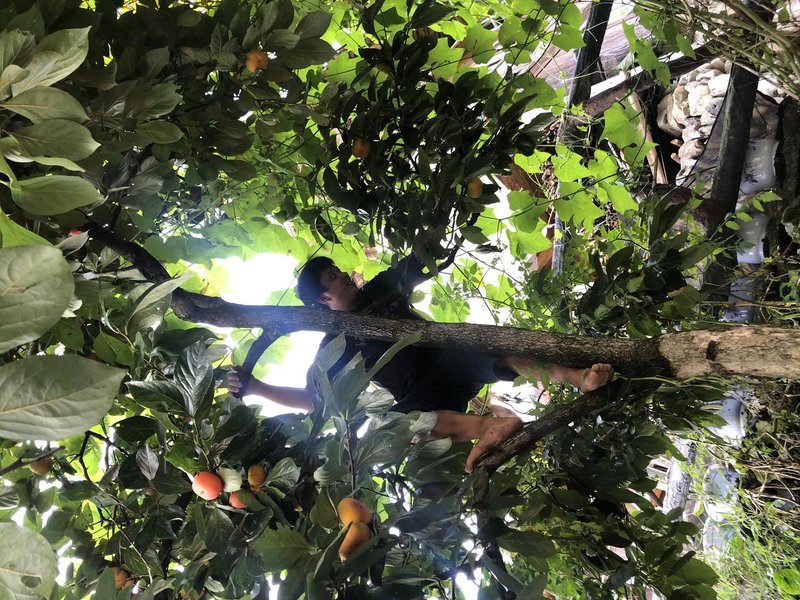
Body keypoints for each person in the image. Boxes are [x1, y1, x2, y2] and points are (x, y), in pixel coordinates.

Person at [227, 254, 613, 472]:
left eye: (338, 270)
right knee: (400, 425)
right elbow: (314, 400)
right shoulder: (334, 347)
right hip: (422, 396)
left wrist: (442, 221)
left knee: (496, 347)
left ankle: (577, 376)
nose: (344, 275)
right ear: (322, 301)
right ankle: (491, 427)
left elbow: (424, 258)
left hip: (450, 357)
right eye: (333, 277)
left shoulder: (380, 289)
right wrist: (256, 387)